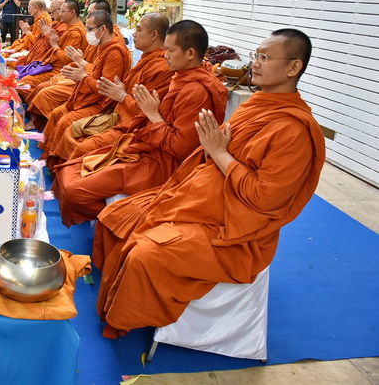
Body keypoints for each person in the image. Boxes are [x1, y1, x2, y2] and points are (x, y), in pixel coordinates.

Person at [93, 28, 325, 339]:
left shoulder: (294, 131)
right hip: (204, 195)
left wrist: (217, 152)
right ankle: (118, 292)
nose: (254, 63)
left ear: (293, 67)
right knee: (117, 216)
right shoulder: (257, 105)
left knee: (144, 251)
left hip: (236, 229)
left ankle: (126, 313)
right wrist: (212, 151)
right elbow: (210, 151)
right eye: (256, 55)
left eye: (264, 57)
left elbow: (262, 197)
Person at [53, 19, 229, 226]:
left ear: (190, 53)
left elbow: (180, 147)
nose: (165, 55)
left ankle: (118, 217)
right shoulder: (180, 77)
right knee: (71, 168)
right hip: (144, 142)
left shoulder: (196, 91)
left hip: (162, 163)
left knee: (75, 189)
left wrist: (152, 115)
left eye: (170, 50)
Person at [59, 13, 175, 159]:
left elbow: (144, 109)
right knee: (68, 126)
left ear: (154, 35)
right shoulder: (146, 58)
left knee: (77, 139)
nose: (134, 34)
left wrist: (121, 95)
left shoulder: (160, 67)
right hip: (119, 113)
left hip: (131, 125)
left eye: (138, 30)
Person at [38, 10, 134, 169]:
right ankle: (47, 155)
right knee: (58, 112)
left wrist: (82, 76)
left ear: (102, 29)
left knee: (65, 120)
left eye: (90, 29)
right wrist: (75, 67)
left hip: (102, 104)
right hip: (87, 94)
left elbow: (106, 88)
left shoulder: (115, 52)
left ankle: (56, 164)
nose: (87, 32)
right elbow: (91, 67)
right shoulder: (100, 46)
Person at [24, 0, 117, 128]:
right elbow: (79, 60)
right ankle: (37, 120)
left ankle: (39, 122)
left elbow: (102, 79)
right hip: (76, 76)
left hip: (90, 89)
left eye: (61, 11)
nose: (58, 14)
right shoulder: (94, 39)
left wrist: (54, 45)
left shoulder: (110, 47)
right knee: (39, 87)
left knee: (43, 92)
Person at [16, 0, 87, 95]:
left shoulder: (75, 32)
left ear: (72, 12)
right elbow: (40, 42)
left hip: (61, 69)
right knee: (22, 76)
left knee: (27, 84)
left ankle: (33, 104)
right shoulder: (65, 26)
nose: (60, 14)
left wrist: (52, 41)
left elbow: (66, 59)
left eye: (62, 11)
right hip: (50, 63)